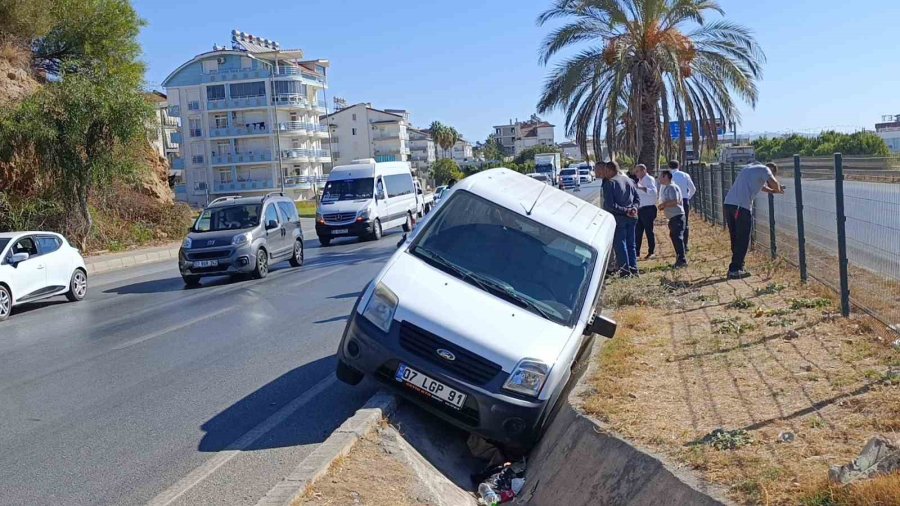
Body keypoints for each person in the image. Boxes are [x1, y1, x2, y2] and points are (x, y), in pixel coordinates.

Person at [723, 162, 785, 279]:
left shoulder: (749, 168)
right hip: (741, 207)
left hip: (729, 205)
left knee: (735, 237)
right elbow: (774, 183)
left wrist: (771, 191)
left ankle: (738, 266)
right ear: (771, 170)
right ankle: (735, 270)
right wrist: (777, 188)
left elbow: (760, 186)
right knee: (743, 238)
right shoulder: (765, 170)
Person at [595, 160, 640, 277]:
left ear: (610, 170)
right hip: (632, 217)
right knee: (632, 244)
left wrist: (626, 211)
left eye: (605, 171)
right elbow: (637, 199)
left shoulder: (610, 183)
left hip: (619, 219)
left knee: (621, 245)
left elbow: (610, 205)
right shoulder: (629, 180)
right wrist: (633, 209)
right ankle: (634, 269)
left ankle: (625, 271)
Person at [657, 170, 687, 268]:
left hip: (677, 216)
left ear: (666, 177)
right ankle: (680, 259)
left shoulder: (672, 187)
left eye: (660, 176)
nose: (659, 179)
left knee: (677, 238)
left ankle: (682, 261)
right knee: (675, 237)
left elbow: (675, 201)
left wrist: (663, 205)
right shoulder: (668, 188)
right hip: (673, 217)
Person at [668, 160, 696, 252]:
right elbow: (693, 189)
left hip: (672, 201)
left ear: (669, 167)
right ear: (678, 166)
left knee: (673, 221)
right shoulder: (685, 175)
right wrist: (687, 197)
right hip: (684, 200)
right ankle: (685, 244)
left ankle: (677, 243)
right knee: (685, 223)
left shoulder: (668, 176)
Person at [632, 164, 658, 259]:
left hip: (648, 209)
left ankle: (651, 252)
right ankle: (637, 253)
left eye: (637, 171)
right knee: (638, 232)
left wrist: (640, 188)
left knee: (649, 231)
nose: (636, 173)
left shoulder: (649, 179)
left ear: (643, 170)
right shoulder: (640, 181)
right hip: (640, 209)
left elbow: (653, 192)